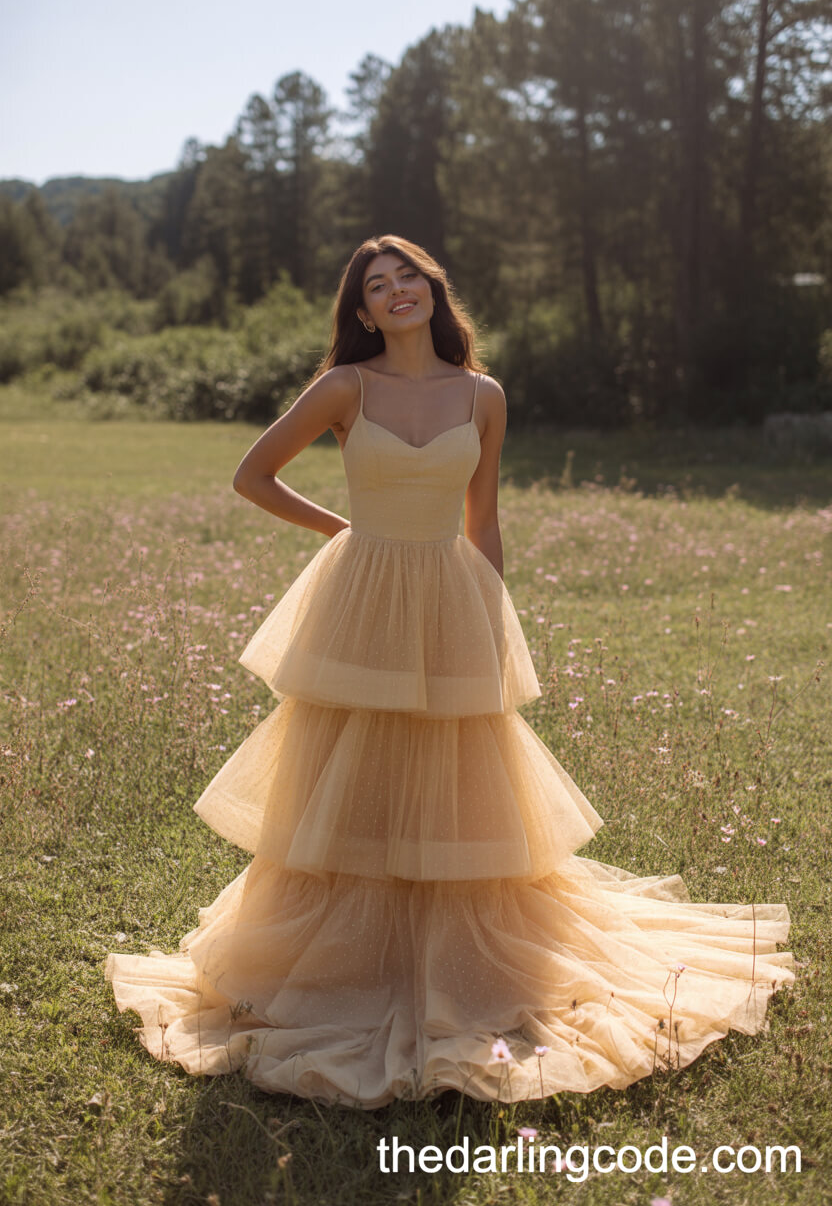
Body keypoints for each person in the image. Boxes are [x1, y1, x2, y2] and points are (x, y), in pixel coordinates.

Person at [104, 235, 793, 1108]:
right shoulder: (346, 386)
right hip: (361, 600)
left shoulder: (482, 395)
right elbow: (254, 475)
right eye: (377, 285)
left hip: (451, 600)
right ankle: (341, 962)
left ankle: (460, 967)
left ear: (433, 290)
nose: (397, 291)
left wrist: (492, 618)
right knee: (345, 774)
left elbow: (484, 519)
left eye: (410, 276)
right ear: (362, 312)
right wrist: (341, 532)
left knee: (459, 783)